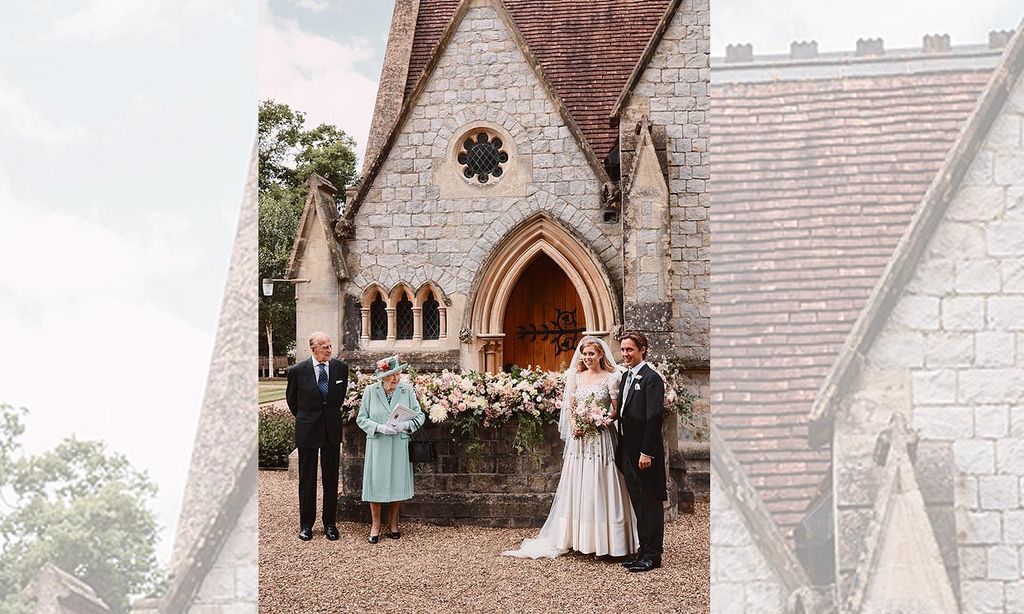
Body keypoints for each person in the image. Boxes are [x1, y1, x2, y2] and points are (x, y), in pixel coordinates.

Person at [502, 336, 638, 559]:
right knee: (580, 482)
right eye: (585, 354)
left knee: (602, 482)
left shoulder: (612, 378)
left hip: (600, 438)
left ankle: (609, 541)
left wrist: (601, 420)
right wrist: (576, 424)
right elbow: (570, 408)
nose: (587, 357)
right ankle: (579, 538)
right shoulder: (576, 376)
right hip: (580, 440)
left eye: (592, 354)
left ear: (601, 354)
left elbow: (616, 410)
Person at [285, 332, 349, 541]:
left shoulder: (341, 369)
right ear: (313, 348)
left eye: (330, 346)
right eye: (324, 347)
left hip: (331, 429)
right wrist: (307, 419)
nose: (329, 350)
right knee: (307, 479)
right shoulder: (297, 371)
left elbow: (338, 400)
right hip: (307, 429)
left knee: (331, 479)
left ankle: (330, 523)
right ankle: (306, 525)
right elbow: (292, 402)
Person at [354, 355, 425, 543]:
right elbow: (361, 418)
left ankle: (393, 523)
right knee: (375, 483)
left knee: (396, 483)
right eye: (392, 375)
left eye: (398, 373)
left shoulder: (407, 390)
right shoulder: (370, 391)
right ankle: (375, 525)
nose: (396, 378)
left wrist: (405, 425)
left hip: (398, 443)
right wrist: (378, 427)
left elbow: (420, 417)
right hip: (378, 443)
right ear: (382, 376)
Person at [615, 331, 667, 572]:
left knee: (650, 502)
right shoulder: (626, 377)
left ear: (642, 349)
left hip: (645, 454)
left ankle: (653, 555)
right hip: (628, 450)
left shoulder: (651, 378)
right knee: (638, 502)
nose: (625, 354)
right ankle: (642, 550)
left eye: (630, 350)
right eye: (623, 350)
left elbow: (654, 417)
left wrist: (647, 452)